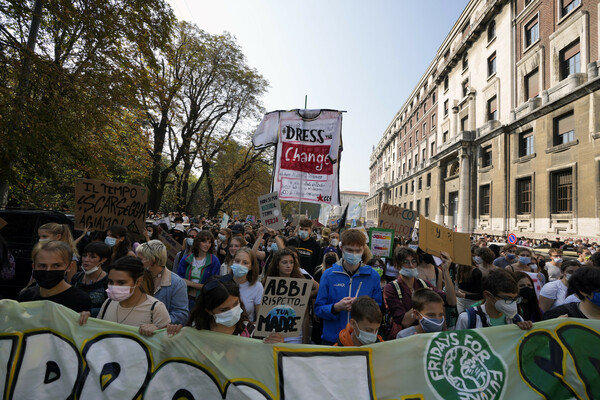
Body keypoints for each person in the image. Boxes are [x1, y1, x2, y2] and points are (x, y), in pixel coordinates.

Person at [315, 229, 382, 345]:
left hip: (361, 341)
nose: (354, 254)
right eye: (350, 250)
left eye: (358, 250)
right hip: (333, 340)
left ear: (363, 249)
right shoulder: (329, 275)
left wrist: (362, 305)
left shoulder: (373, 276)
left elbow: (378, 309)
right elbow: (318, 309)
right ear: (341, 248)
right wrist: (336, 307)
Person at [167, 275, 283, 342]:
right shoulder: (193, 332)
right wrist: (174, 334)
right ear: (208, 310)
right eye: (224, 310)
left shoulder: (252, 333)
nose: (232, 311)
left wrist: (277, 345)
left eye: (236, 304)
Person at [79, 256, 170, 336]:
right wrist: (87, 321)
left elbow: (168, 345)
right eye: (110, 282)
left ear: (138, 281)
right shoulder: (108, 303)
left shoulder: (156, 309)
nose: (114, 287)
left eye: (121, 282)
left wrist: (158, 331)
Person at [383, 247, 456, 339]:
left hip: (426, 336)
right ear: (397, 265)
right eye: (406, 262)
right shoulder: (391, 289)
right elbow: (404, 322)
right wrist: (424, 299)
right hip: (404, 339)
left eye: (413, 261)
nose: (411, 265)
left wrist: (445, 270)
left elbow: (451, 301)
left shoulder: (423, 284)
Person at [263, 248, 319, 343]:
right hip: (273, 335)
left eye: (291, 262)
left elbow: (305, 316)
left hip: (295, 337)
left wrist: (304, 341)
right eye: (284, 262)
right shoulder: (268, 284)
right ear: (277, 265)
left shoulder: (300, 284)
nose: (288, 266)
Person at [18, 241, 91, 312]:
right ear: (34, 267)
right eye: (42, 266)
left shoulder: (80, 300)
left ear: (69, 267)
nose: (48, 270)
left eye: (56, 266)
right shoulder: (25, 296)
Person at [455, 268, 533, 330]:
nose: (512, 303)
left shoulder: (517, 319)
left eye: (515, 298)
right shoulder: (467, 319)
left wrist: (524, 330)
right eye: (506, 298)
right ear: (488, 295)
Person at [137, 240, 189, 325]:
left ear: (152, 260)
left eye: (140, 259)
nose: (137, 262)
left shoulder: (177, 283)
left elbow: (181, 315)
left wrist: (158, 325)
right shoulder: (137, 277)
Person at [177, 230, 220, 308]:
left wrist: (190, 283)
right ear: (197, 242)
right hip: (186, 299)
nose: (207, 245)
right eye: (204, 241)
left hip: (204, 301)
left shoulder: (214, 261)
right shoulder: (186, 259)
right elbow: (179, 280)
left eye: (209, 242)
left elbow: (213, 285)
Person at [71, 242, 111, 316]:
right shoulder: (77, 277)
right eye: (84, 256)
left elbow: (109, 307)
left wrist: (91, 313)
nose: (86, 260)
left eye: (92, 257)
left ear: (103, 260)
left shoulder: (108, 281)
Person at [230, 248, 263, 323]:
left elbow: (259, 320)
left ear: (251, 266)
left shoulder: (257, 287)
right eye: (237, 261)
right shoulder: (223, 283)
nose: (240, 265)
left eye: (245, 263)